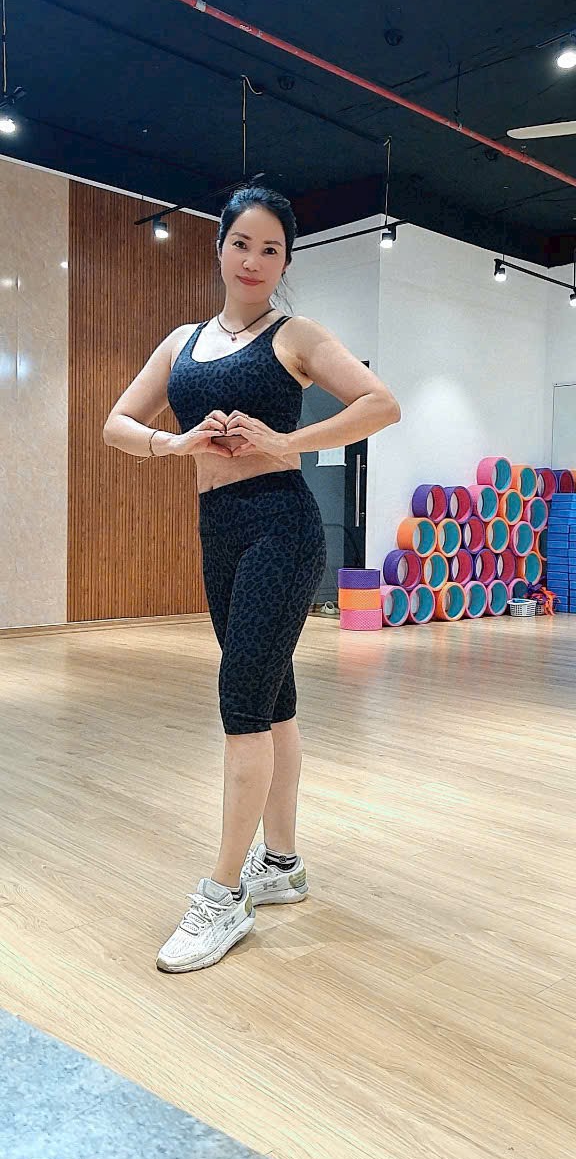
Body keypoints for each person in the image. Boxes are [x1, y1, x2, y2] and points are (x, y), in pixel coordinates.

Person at [103, 185, 400, 973]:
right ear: (220, 247)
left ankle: (224, 894)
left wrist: (286, 439)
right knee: (272, 702)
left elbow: (381, 404)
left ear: (285, 262)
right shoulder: (182, 343)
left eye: (272, 249)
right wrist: (174, 445)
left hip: (281, 527)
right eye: (242, 242)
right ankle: (283, 864)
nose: (254, 260)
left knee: (241, 706)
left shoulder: (294, 335)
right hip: (218, 530)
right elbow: (116, 424)